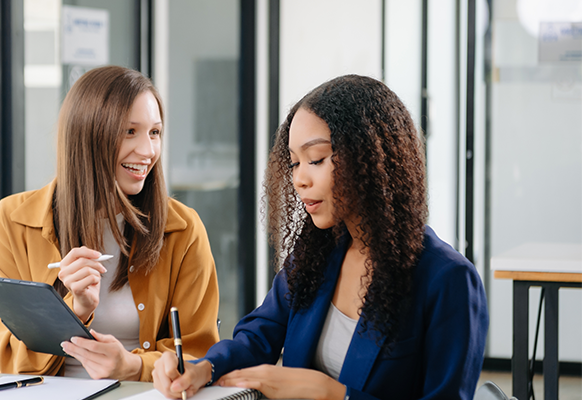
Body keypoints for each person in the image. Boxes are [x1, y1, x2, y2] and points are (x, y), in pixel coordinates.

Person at [153, 74, 488, 399]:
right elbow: (258, 336)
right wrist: (204, 367)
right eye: (295, 163)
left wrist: (332, 395)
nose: (300, 178)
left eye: (315, 159)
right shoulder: (318, 252)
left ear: (370, 158)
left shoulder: (449, 280)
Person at [0, 65, 220, 381]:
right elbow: (13, 364)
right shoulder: (13, 222)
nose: (148, 151)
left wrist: (134, 367)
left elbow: (200, 353)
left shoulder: (183, 229)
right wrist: (75, 310)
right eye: (129, 131)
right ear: (88, 135)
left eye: (155, 132)